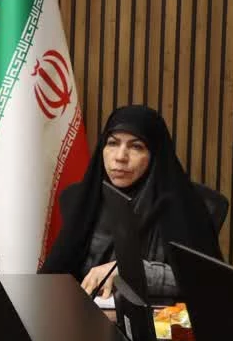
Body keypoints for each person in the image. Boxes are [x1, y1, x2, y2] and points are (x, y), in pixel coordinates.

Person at [41, 104, 223, 299]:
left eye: (136, 146)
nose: (120, 157)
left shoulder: (180, 206)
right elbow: (57, 273)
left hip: (156, 316)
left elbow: (207, 281)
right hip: (82, 310)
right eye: (112, 143)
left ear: (154, 154)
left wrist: (132, 271)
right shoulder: (83, 200)